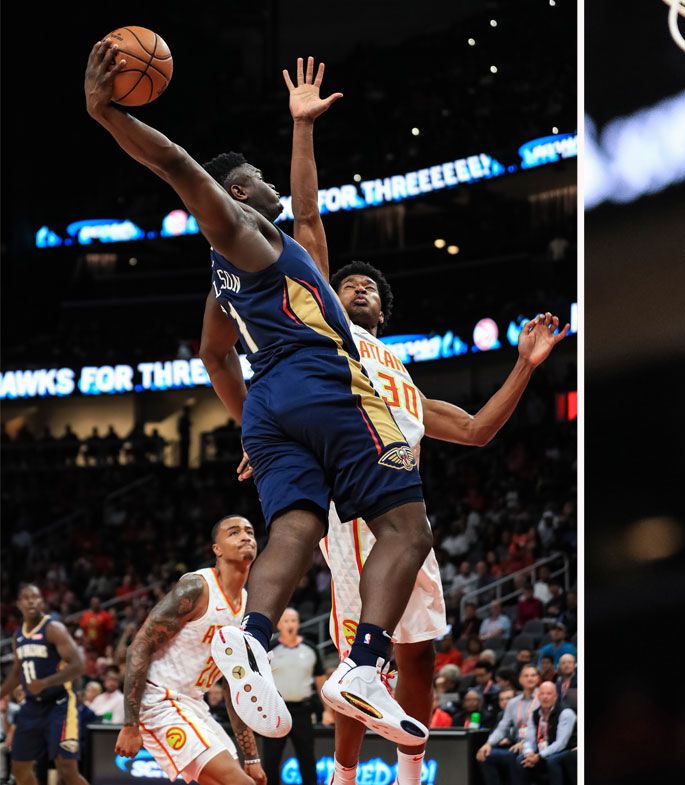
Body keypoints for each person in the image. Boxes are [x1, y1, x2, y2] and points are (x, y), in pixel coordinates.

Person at [84, 39, 430, 745]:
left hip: (270, 402)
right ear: (238, 193)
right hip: (325, 379)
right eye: (258, 177)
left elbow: (216, 354)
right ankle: (364, 668)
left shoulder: (232, 272)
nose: (272, 183)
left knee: (296, 527)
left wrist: (251, 429)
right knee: (407, 528)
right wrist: (106, 113)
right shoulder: (242, 231)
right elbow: (180, 167)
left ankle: (251, 636)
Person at [255, 60, 566, 785]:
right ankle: (341, 772)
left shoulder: (402, 376)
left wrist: (524, 365)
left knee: (419, 651)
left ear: (383, 310)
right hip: (356, 498)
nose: (354, 287)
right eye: (346, 284)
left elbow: (482, 431)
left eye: (365, 287)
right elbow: (306, 219)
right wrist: (302, 128)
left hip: (405, 503)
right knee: (359, 661)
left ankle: (410, 768)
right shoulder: (324, 330)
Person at [114, 517, 264, 785]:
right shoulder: (197, 588)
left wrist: (251, 758)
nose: (245, 536)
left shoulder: (247, 607)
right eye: (234, 532)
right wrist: (130, 724)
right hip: (159, 699)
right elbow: (140, 645)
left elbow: (234, 684)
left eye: (250, 532)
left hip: (194, 703)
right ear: (216, 549)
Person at [0, 585, 90, 785]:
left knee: (66, 768)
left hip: (60, 704)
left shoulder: (53, 629)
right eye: (26, 597)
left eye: (35, 597)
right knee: (20, 769)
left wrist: (46, 683)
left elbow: (78, 666)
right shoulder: (18, 636)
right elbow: (16, 673)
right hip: (32, 707)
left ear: (42, 601)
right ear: (19, 604)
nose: (31, 601)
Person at [264, 609, 322, 785]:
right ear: (279, 624)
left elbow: (320, 681)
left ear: (298, 623)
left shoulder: (311, 649)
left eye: (294, 620)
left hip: (303, 711)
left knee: (307, 757)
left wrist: (327, 710)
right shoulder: (270, 648)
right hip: (275, 711)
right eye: (286, 621)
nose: (290, 624)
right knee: (271, 759)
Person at [476, 666, 542, 785]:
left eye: (533, 675)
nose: (530, 678)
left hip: (535, 744)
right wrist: (488, 743)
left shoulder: (543, 698)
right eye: (526, 676)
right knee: (486, 755)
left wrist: (524, 742)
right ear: (520, 679)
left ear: (538, 679)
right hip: (515, 745)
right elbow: (502, 727)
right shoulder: (513, 702)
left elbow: (541, 726)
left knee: (514, 758)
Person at [521, 682, 575, 785]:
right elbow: (529, 740)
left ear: (555, 697)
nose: (545, 697)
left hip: (567, 749)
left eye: (549, 694)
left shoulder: (565, 713)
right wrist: (529, 753)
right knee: (521, 759)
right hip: (543, 749)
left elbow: (561, 743)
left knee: (552, 760)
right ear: (538, 696)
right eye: (542, 694)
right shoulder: (535, 714)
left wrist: (539, 756)